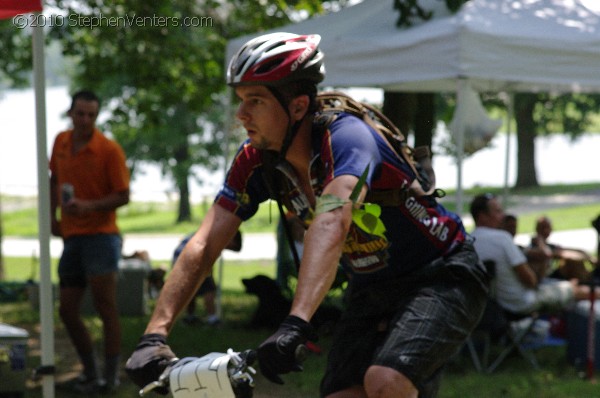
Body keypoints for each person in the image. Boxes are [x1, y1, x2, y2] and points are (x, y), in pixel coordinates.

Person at [125, 32, 488, 397]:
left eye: (255, 100)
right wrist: (154, 334)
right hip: (373, 286)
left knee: (385, 382)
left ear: (298, 107)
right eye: (239, 100)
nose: (241, 115)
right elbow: (204, 242)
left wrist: (296, 321)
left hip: (442, 274)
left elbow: (333, 218)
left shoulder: (348, 139)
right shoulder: (255, 160)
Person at [49, 90, 130, 393]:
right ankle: (89, 369)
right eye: (80, 113)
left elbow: (123, 195)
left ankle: (110, 376)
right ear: (70, 113)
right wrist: (52, 218)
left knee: (105, 307)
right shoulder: (60, 141)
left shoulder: (109, 150)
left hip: (101, 237)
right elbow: (53, 179)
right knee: (67, 309)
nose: (85, 119)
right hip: (72, 237)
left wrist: (89, 206)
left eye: (91, 115)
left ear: (97, 117)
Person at [470, 193, 598, 316]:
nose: (503, 216)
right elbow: (531, 281)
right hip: (521, 302)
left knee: (568, 285)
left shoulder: (469, 242)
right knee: (575, 289)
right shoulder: (502, 239)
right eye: (498, 211)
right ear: (482, 217)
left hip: (492, 308)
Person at [173, 230, 242, 326]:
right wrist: (210, 277)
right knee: (209, 288)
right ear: (232, 238)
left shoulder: (213, 232)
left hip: (180, 256)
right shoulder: (217, 238)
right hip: (193, 257)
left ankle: (190, 316)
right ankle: (212, 318)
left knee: (190, 289)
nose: (226, 248)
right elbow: (209, 262)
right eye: (229, 247)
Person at [531, 216, 596, 282]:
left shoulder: (549, 245)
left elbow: (568, 250)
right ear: (537, 229)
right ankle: (588, 283)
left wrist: (589, 256)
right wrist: (587, 258)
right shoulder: (534, 246)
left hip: (551, 275)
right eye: (543, 228)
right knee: (572, 262)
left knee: (573, 262)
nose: (546, 230)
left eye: (548, 227)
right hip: (543, 279)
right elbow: (552, 254)